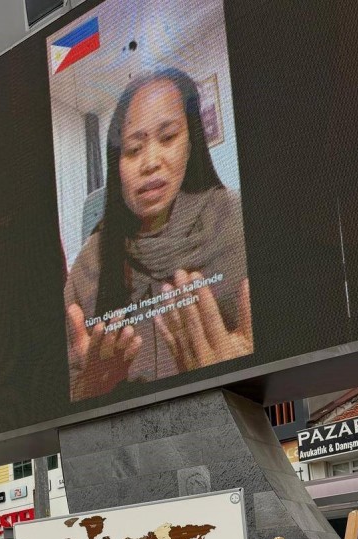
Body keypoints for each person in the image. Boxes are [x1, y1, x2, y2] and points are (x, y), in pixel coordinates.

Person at [65, 68, 250, 402]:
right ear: (116, 164)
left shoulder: (238, 222)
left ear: (190, 144)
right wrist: (89, 389)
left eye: (168, 138)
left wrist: (246, 372)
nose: (150, 162)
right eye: (133, 149)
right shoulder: (89, 263)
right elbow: (60, 390)